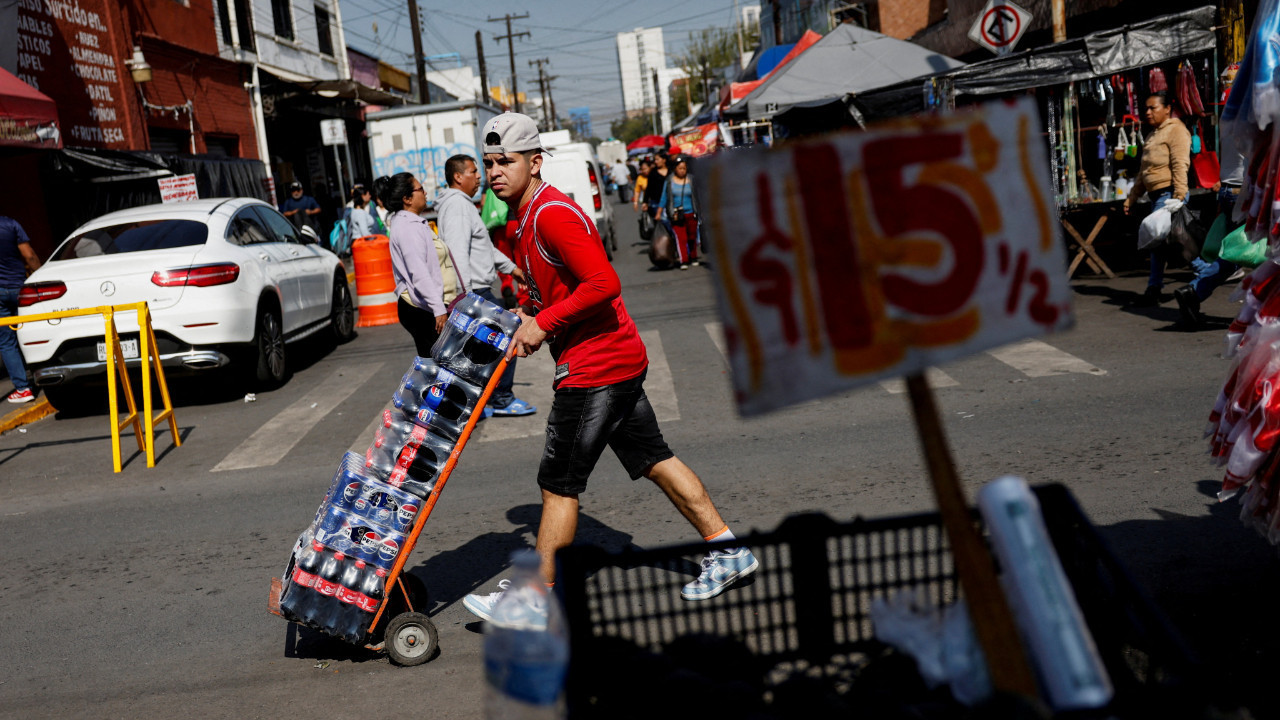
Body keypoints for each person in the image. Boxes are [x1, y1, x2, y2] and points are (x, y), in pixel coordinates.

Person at [462, 113, 758, 628]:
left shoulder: (552, 213)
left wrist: (545, 322)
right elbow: (552, 287)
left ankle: (537, 596)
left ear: (534, 162)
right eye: (488, 163)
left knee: (558, 483)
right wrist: (528, 318)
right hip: (610, 359)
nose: (494, 172)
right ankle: (728, 550)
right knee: (654, 458)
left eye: (504, 161)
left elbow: (603, 282)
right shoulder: (522, 220)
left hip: (597, 366)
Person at [437, 154, 537, 417]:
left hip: (478, 289)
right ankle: (500, 399)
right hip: (475, 291)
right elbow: (457, 253)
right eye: (474, 171)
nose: (481, 175)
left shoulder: (465, 205)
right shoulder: (457, 206)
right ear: (458, 177)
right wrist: (467, 296)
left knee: (479, 349)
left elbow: (484, 249)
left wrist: (513, 270)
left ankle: (475, 402)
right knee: (509, 334)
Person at [1124, 91, 1199, 308]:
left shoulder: (1176, 130)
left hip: (1169, 195)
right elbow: (1143, 172)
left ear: (1167, 109)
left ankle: (1205, 274)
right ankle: (1155, 288)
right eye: (1145, 108)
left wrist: (1179, 196)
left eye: (1153, 108)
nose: (1147, 112)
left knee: (1173, 241)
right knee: (1161, 243)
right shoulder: (1152, 135)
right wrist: (1132, 197)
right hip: (1156, 196)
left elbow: (1180, 163)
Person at [381, 172, 447, 357]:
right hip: (420, 307)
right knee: (437, 368)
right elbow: (418, 272)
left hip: (423, 305)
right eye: (420, 189)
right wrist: (438, 308)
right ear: (407, 199)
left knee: (435, 366)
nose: (425, 193)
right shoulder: (408, 227)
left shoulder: (408, 223)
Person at [0, 215, 39, 403]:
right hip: (19, 287)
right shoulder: (11, 224)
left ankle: (23, 388)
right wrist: (39, 279)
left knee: (7, 342)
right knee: (29, 331)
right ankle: (42, 374)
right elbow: (29, 255)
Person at [657, 155, 700, 270]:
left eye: (684, 168)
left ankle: (694, 256)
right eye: (680, 168)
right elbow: (664, 197)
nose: (682, 171)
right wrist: (659, 212)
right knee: (681, 238)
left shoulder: (691, 180)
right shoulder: (670, 181)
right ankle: (684, 260)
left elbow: (698, 196)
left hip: (691, 213)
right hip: (676, 215)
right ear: (675, 169)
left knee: (692, 236)